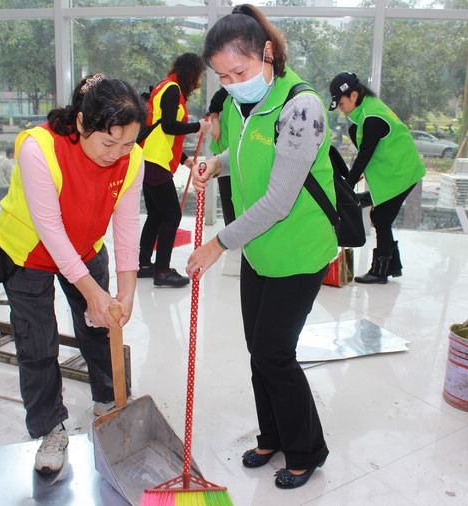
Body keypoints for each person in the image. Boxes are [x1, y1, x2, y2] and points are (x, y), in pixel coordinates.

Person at [188, 4, 335, 489]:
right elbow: (244, 152)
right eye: (223, 76)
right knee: (259, 351)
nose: (233, 83)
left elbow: (278, 200)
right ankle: (272, 436)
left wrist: (216, 245)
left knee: (275, 354)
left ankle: (306, 450)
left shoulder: (301, 108)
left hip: (298, 250)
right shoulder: (238, 105)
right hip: (260, 250)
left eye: (241, 71)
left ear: (267, 53)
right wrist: (215, 164)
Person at [0, 74, 145, 474]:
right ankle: (48, 427)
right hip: (28, 253)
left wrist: (126, 291)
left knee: (101, 326)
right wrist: (91, 291)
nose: (117, 154)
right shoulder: (39, 148)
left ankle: (109, 400)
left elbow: (127, 227)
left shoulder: (133, 159)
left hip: (86, 247)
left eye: (127, 143)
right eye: (108, 142)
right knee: (37, 342)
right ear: (81, 123)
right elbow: (50, 230)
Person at [328, 71, 425, 284]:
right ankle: (392, 266)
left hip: (401, 174)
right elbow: (367, 149)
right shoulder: (366, 112)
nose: (341, 110)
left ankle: (380, 272)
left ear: (354, 95)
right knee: (381, 216)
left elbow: (364, 155)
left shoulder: (372, 118)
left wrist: (347, 186)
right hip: (394, 172)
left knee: (381, 218)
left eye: (341, 104)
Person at [137, 53, 211, 287]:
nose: (199, 80)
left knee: (156, 215)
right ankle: (162, 271)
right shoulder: (171, 89)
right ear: (191, 72)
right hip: (155, 161)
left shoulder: (166, 86)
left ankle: (144, 264)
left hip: (151, 158)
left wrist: (184, 159)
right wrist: (198, 126)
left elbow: (160, 129)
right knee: (172, 215)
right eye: (199, 75)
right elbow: (169, 126)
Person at [207, 87, 236, 226]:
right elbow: (214, 106)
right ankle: (231, 233)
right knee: (227, 197)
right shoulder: (228, 90)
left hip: (244, 153)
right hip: (223, 149)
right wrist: (215, 123)